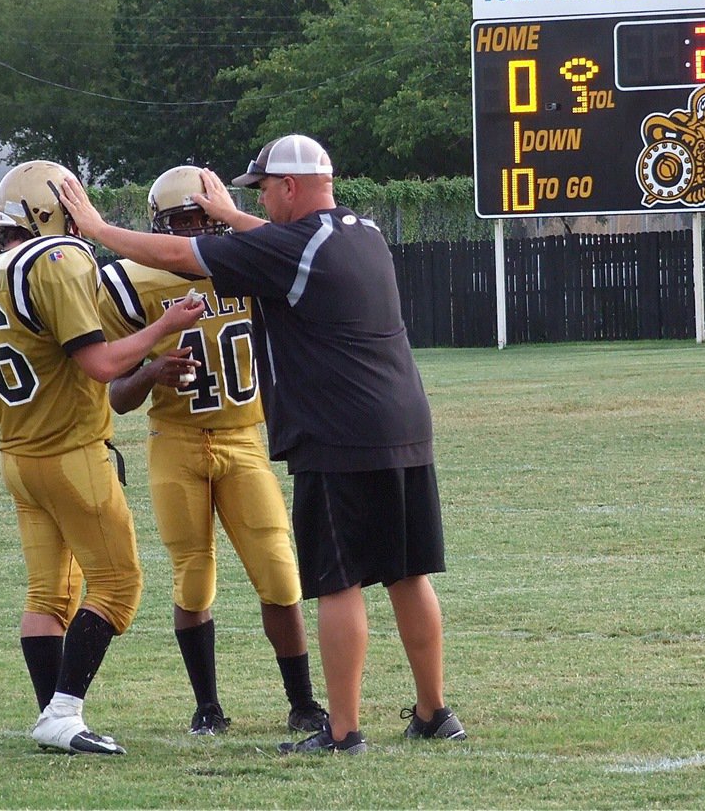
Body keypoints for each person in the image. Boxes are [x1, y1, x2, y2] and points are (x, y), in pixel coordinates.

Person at [59, 135, 465, 755]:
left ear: (292, 187)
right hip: (404, 423)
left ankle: (342, 729)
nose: (262, 200)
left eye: (266, 188)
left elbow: (177, 251)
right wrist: (230, 215)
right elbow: (286, 243)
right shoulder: (365, 232)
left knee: (338, 582)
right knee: (407, 575)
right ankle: (435, 712)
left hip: (339, 433)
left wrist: (94, 226)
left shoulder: (293, 245)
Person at [0, 160, 204, 755]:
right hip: (71, 453)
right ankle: (64, 712)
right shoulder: (56, 259)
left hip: (19, 455)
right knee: (118, 586)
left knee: (47, 595)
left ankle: (51, 718)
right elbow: (100, 365)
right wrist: (165, 324)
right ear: (50, 210)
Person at [95, 165, 328, 738]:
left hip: (243, 437)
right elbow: (117, 396)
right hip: (174, 442)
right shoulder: (131, 282)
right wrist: (152, 372)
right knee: (192, 579)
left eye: (203, 220)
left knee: (279, 575)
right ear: (159, 226)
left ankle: (302, 701)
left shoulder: (250, 267)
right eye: (181, 223)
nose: (193, 234)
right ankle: (207, 707)